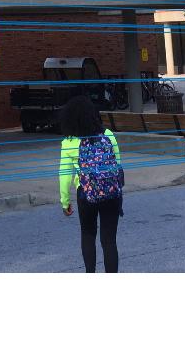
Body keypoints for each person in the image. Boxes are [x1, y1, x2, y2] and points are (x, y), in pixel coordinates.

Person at [58, 94, 123, 273]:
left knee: (88, 235)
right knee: (109, 241)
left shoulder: (69, 143)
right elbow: (118, 166)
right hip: (111, 193)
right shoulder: (108, 135)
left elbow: (65, 176)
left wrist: (65, 202)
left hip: (86, 194)